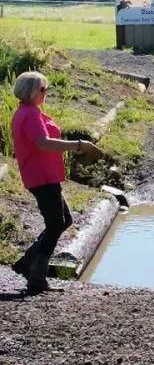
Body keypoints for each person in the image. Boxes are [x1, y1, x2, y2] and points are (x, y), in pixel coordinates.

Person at [10, 71, 102, 294]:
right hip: (41, 176)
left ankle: (27, 262)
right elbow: (43, 143)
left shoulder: (31, 112)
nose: (46, 93)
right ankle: (37, 278)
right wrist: (79, 144)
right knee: (55, 224)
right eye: (43, 89)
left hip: (45, 175)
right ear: (30, 91)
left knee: (64, 219)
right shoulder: (30, 114)